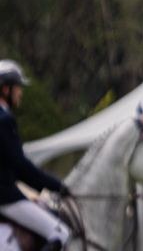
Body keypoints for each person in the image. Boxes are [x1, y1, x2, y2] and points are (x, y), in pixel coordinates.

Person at [0, 60, 71, 250]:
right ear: (5, 89)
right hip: (5, 198)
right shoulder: (4, 120)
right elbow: (20, 166)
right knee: (61, 234)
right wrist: (58, 186)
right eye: (17, 88)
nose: (20, 93)